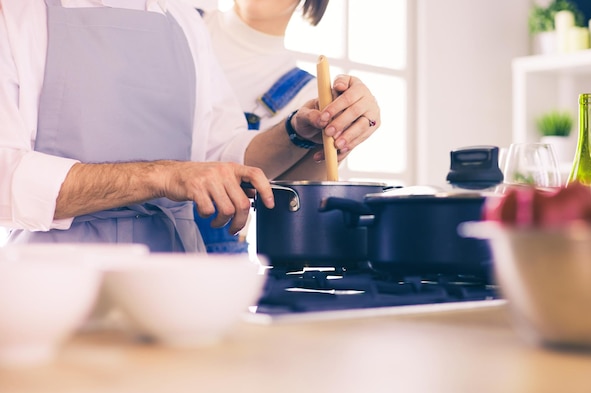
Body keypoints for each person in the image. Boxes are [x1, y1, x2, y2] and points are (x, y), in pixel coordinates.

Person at [0, 0, 380, 253]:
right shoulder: (17, 13)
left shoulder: (181, 20)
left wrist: (300, 130)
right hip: (50, 286)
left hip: (176, 281)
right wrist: (160, 176)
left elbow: (222, 153)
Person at [196, 0, 380, 252]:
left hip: (214, 256)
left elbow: (291, 205)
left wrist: (340, 134)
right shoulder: (180, 22)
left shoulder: (309, 94)